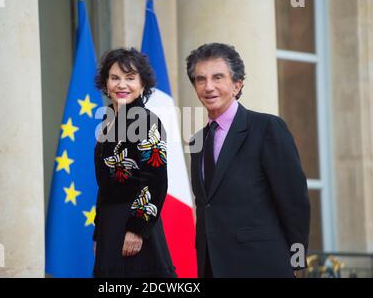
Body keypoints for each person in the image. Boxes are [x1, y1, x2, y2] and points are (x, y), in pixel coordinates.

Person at [187, 43, 310, 277]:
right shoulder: (197, 141)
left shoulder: (267, 128)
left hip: (261, 264)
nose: (208, 87)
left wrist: (296, 260)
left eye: (218, 77)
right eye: (200, 79)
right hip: (211, 266)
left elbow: (294, 199)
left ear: (237, 84)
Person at [92, 48, 176, 278]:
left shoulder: (147, 120)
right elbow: (105, 187)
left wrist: (137, 230)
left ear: (142, 85)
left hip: (135, 225)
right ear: (106, 83)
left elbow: (156, 181)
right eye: (115, 77)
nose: (122, 85)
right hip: (110, 226)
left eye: (130, 78)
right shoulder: (107, 120)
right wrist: (99, 233)